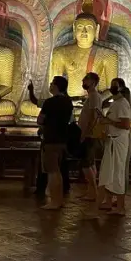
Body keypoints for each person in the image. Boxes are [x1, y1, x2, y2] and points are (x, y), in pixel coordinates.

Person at [31, 76, 73, 209]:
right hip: (63, 139)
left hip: (51, 139)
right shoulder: (68, 102)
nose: (49, 85)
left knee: (52, 171)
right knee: (58, 171)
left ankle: (54, 201)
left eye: (51, 83)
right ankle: (59, 199)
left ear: (56, 86)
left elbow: (40, 120)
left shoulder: (50, 102)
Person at [93, 78, 131, 216]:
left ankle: (119, 206)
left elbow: (126, 124)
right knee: (108, 173)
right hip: (112, 141)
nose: (111, 88)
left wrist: (107, 121)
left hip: (118, 142)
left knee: (117, 173)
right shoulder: (115, 103)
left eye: (114, 85)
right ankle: (107, 202)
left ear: (121, 88)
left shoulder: (122, 103)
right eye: (111, 85)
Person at [78, 72, 103, 201]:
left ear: (93, 82)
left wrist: (85, 133)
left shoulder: (94, 97)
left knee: (86, 163)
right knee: (90, 163)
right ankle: (91, 191)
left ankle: (93, 191)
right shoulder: (91, 97)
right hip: (88, 134)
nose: (83, 82)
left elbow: (94, 118)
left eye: (86, 80)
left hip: (89, 135)